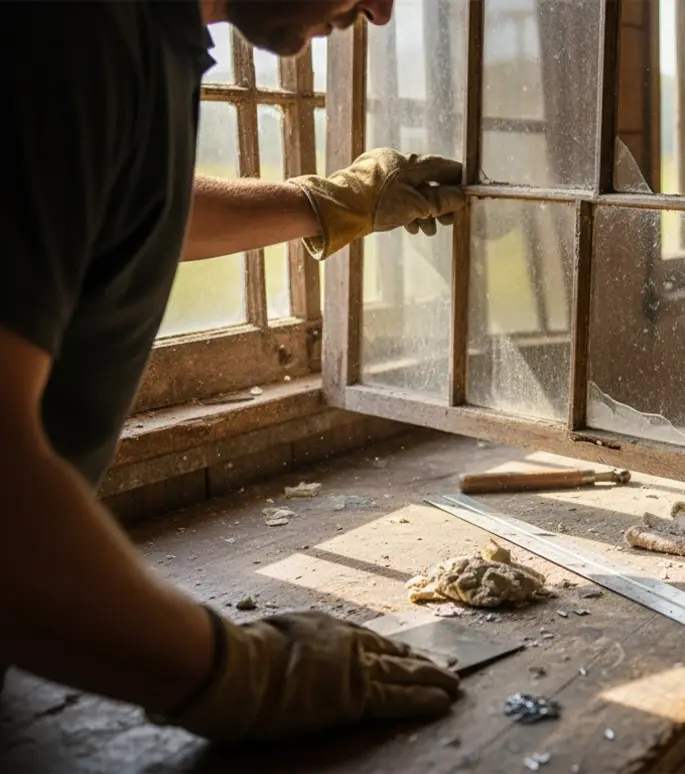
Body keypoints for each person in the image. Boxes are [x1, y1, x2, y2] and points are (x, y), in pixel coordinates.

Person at [0, 0, 468, 742]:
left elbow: (118, 201)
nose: (379, 11)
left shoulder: (134, 35)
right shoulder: (65, 30)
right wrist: (240, 673)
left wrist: (327, 201)